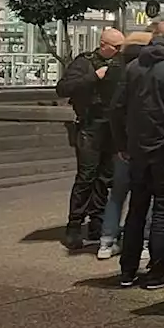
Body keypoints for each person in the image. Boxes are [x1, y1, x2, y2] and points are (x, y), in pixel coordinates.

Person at [110, 22, 164, 289]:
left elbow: (117, 108)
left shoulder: (133, 67)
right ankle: (158, 269)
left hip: (138, 149)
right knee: (162, 210)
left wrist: (123, 143)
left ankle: (127, 270)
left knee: (137, 208)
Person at [55, 27, 124, 251]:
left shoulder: (119, 64)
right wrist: (94, 77)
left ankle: (97, 221)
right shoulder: (84, 63)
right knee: (86, 175)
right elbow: (63, 88)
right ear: (103, 45)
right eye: (116, 47)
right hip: (90, 126)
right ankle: (74, 225)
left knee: (105, 177)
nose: (119, 51)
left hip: (111, 127)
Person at [97, 30, 153, 261]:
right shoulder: (148, 69)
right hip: (146, 142)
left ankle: (106, 241)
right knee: (145, 195)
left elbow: (114, 109)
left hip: (122, 144)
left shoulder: (115, 70)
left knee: (117, 194)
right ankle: (144, 243)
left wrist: (119, 143)